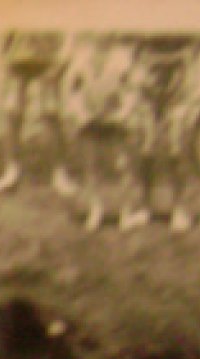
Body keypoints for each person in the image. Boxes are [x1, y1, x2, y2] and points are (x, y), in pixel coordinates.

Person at [0, 31, 80, 197]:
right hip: (18, 52)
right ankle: (11, 173)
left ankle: (60, 174)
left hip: (49, 54)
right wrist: (1, 52)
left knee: (50, 112)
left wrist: (66, 55)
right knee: (12, 111)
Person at [120, 34, 198, 233]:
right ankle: (143, 207)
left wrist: (181, 67)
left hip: (179, 79)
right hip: (146, 78)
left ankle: (180, 209)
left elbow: (190, 49)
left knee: (177, 149)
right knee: (143, 149)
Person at [65, 35, 139, 231]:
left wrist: (123, 113)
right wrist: (82, 113)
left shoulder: (123, 58)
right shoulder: (81, 58)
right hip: (90, 118)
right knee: (91, 165)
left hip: (116, 118)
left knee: (122, 165)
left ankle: (126, 212)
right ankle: (96, 210)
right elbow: (74, 89)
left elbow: (131, 90)